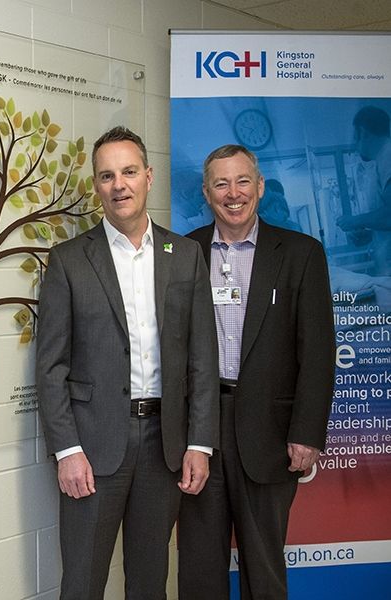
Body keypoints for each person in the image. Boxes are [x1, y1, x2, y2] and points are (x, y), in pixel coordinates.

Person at [36, 126, 219, 599]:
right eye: (107, 175)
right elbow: (50, 366)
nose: (119, 185)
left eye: (129, 172)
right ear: (96, 186)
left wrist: (200, 441)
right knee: (82, 581)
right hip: (93, 449)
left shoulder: (186, 255)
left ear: (148, 176)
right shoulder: (69, 260)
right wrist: (66, 450)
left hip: (165, 446)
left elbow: (202, 357)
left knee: (149, 581)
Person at [178, 145, 334, 600]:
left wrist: (307, 433)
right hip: (199, 433)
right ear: (207, 193)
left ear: (260, 187)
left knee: (263, 568)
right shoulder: (185, 252)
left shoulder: (302, 253)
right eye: (221, 184)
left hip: (271, 432)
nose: (233, 193)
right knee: (199, 566)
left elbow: (319, 352)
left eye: (243, 181)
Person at [336, 106, 391, 275]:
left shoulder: (388, 157)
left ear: (363, 132)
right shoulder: (381, 160)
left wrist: (355, 221)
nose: (354, 145)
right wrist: (370, 234)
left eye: (355, 137)